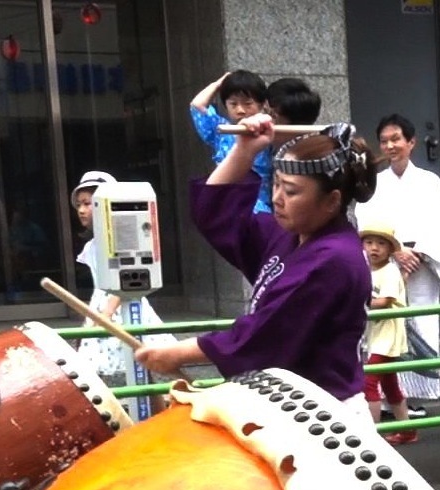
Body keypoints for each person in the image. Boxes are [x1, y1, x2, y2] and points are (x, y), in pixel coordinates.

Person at [134, 116, 375, 414]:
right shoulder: (290, 236)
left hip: (324, 412)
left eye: (291, 191)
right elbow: (218, 214)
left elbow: (267, 334)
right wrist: (244, 151)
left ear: (332, 201)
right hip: (291, 404)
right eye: (275, 184)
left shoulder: (336, 258)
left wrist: (181, 353)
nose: (277, 199)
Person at [70, 170, 172, 421]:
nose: (82, 210)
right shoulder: (92, 246)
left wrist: (105, 315)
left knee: (138, 366)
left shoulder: (119, 238)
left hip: (120, 306)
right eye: (79, 204)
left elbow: (122, 282)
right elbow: (100, 286)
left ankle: (155, 417)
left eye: (88, 203)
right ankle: (149, 417)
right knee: (124, 368)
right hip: (102, 307)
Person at [373, 113, 440, 408]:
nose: (391, 145)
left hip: (420, 265)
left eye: (396, 139)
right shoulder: (375, 183)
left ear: (411, 142)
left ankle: (416, 398)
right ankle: (386, 400)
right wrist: (394, 250)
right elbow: (365, 220)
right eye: (384, 141)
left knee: (420, 325)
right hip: (384, 263)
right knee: (384, 329)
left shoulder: (429, 181)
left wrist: (417, 253)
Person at [358, 217, 417, 445]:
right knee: (390, 383)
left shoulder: (390, 271)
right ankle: (407, 429)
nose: (374, 248)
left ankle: (371, 435)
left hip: (387, 335)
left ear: (390, 250)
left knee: (369, 382)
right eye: (369, 242)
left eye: (381, 244)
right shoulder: (365, 270)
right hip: (374, 335)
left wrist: (357, 302)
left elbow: (384, 301)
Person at [189, 69, 274, 213]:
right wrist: (218, 84)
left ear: (262, 104)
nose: (240, 110)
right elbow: (197, 106)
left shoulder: (270, 131)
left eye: (248, 104)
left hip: (259, 209)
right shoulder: (221, 130)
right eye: (233, 104)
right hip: (226, 205)